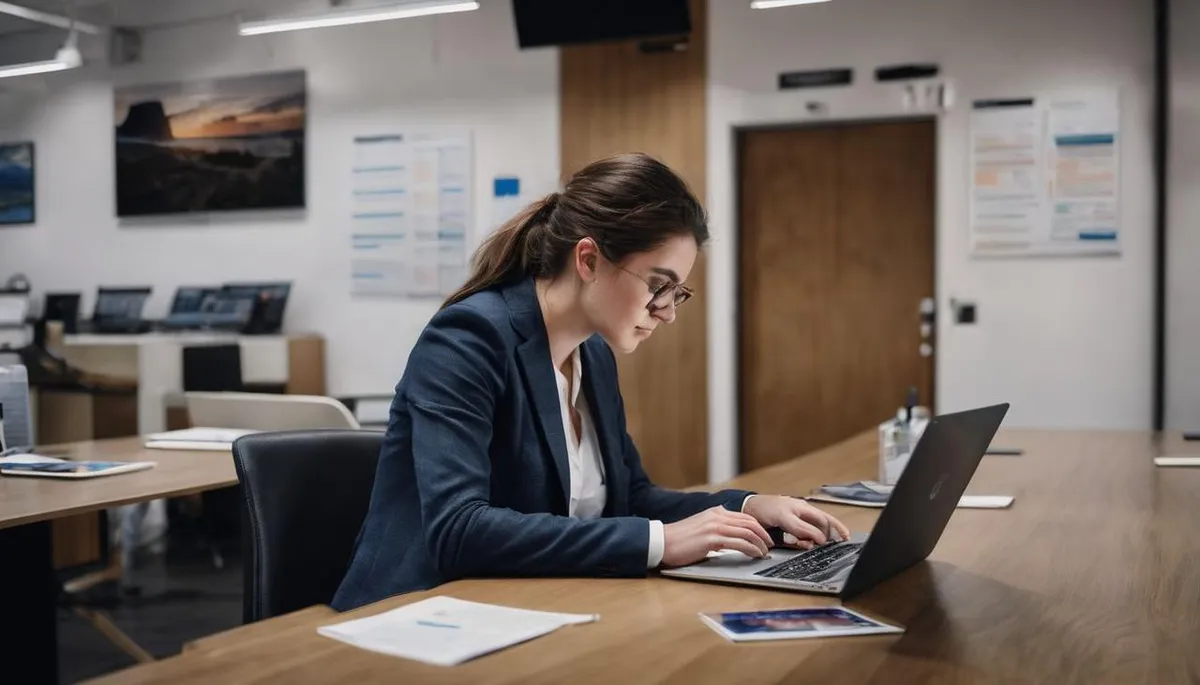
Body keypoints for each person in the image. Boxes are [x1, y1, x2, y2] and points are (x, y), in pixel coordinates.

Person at [331, 153, 849, 611]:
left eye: (678, 293)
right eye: (657, 286)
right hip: (418, 615)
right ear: (587, 260)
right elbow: (459, 530)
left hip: (530, 607)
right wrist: (659, 542)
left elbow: (633, 499)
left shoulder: (593, 355)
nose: (667, 313)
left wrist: (747, 507)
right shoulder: (469, 338)